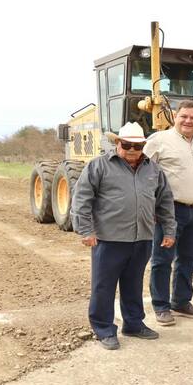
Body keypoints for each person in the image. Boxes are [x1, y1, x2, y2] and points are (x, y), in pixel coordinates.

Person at [71, 122, 176, 350]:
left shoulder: (154, 170)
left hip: (142, 238)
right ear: (117, 143)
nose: (131, 150)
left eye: (137, 146)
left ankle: (134, 324)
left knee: (133, 283)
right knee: (104, 286)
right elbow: (82, 199)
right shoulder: (98, 166)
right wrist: (86, 230)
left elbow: (165, 201)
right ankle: (104, 329)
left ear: (143, 146)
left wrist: (169, 230)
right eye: (126, 144)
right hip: (109, 238)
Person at [143, 100, 193, 327]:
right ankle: (161, 306)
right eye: (184, 116)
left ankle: (181, 302)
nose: (188, 121)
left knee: (188, 259)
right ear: (175, 116)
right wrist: (151, 206)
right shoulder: (159, 141)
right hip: (169, 211)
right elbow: (142, 174)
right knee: (162, 260)